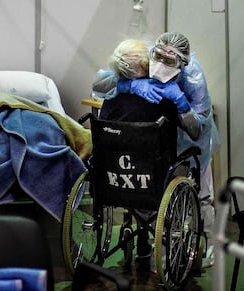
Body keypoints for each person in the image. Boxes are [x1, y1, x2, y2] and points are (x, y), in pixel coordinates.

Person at [93, 32, 219, 268]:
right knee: (151, 176)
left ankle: (206, 246)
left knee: (202, 190)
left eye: (169, 62)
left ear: (183, 63)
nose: (160, 64)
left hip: (188, 135)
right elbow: (99, 83)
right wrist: (129, 85)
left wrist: (181, 103)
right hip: (154, 142)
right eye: (158, 56)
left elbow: (196, 132)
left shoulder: (192, 78)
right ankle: (149, 239)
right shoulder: (140, 60)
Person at [99, 38, 182, 272]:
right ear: (144, 66)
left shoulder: (110, 95)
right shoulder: (161, 96)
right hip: (150, 180)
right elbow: (172, 140)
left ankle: (140, 237)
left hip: (113, 180)